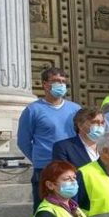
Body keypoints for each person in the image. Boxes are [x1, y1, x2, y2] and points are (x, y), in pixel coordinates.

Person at [18, 67, 82, 209]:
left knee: (72, 208)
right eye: (55, 81)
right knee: (44, 207)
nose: (60, 84)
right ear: (45, 84)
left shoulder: (75, 109)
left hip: (71, 168)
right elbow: (23, 141)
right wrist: (39, 158)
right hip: (45, 169)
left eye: (63, 81)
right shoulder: (33, 110)